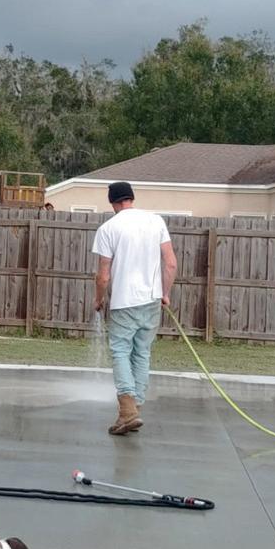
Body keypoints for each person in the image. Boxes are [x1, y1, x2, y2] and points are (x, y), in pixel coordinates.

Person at [90, 180, 176, 435]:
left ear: (112, 202)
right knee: (142, 353)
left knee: (120, 351)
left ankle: (128, 411)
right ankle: (134, 409)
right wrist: (165, 293)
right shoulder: (155, 221)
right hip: (151, 299)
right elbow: (171, 263)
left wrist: (98, 299)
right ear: (131, 198)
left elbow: (103, 275)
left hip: (124, 302)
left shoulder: (108, 228)